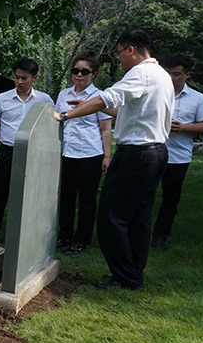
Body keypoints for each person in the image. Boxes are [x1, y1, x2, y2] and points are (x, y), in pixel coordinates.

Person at [53, 29, 174, 290]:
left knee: (111, 216)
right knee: (139, 218)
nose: (119, 59)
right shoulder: (161, 74)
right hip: (157, 153)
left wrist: (65, 115)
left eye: (119, 53)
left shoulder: (140, 73)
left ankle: (123, 276)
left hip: (136, 155)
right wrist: (84, 106)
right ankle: (132, 274)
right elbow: (125, 111)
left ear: (130, 49)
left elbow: (105, 98)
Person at [0, 58, 53, 244]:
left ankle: (29, 236)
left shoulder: (44, 100)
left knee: (31, 193)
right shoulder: (2, 98)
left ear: (34, 78)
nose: (20, 82)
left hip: (34, 153)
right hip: (8, 151)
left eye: (24, 78)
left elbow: (49, 126)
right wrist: (5, 139)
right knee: (0, 193)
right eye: (16, 78)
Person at [151, 55, 203, 250]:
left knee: (170, 198)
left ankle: (160, 236)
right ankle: (137, 233)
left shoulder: (197, 98)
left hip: (178, 157)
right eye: (168, 73)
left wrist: (184, 128)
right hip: (152, 152)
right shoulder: (155, 94)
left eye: (176, 74)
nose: (171, 78)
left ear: (187, 75)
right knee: (144, 194)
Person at [54, 52, 112, 256]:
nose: (79, 75)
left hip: (89, 153)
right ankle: (65, 235)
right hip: (67, 152)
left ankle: (82, 239)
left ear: (93, 74)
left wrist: (106, 156)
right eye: (75, 71)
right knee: (66, 197)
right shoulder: (64, 95)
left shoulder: (99, 98)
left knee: (86, 199)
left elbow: (105, 129)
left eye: (84, 71)